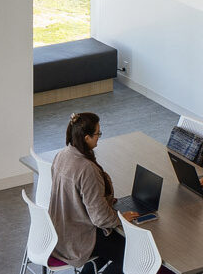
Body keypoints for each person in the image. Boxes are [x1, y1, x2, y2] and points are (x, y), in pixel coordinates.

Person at [49, 113, 137, 274]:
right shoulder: (87, 169)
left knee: (113, 248)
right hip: (79, 239)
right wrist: (121, 218)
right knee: (135, 254)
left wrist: (102, 200)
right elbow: (101, 219)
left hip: (60, 232)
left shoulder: (62, 154)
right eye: (98, 134)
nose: (99, 137)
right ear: (87, 137)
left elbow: (74, 196)